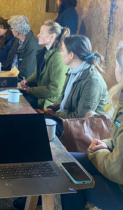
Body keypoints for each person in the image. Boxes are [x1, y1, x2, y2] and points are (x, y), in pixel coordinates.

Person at [60, 41, 123, 210]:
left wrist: (98, 152)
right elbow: (118, 139)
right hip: (116, 168)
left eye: (117, 65)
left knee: (72, 176)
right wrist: (106, 144)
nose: (114, 70)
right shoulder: (121, 103)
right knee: (69, 163)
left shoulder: (92, 80)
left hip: (120, 185)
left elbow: (117, 168)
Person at [44, 35, 108, 137]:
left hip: (84, 129)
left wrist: (53, 114)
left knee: (42, 129)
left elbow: (81, 117)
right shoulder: (73, 71)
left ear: (71, 55)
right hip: (68, 120)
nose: (60, 53)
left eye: (62, 50)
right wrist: (52, 107)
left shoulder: (92, 81)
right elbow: (64, 98)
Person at [20, 20, 69, 110]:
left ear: (52, 36)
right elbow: (36, 73)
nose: (38, 35)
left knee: (19, 105)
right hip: (39, 95)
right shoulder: (44, 52)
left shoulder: (58, 56)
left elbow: (55, 89)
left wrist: (30, 90)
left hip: (48, 101)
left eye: (42, 33)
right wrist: (28, 82)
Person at [3, 15, 42, 81]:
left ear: (17, 31)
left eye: (11, 28)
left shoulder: (32, 46)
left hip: (19, 82)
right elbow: (10, 58)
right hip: (10, 76)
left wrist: (9, 81)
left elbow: (26, 73)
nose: (10, 30)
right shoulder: (17, 39)